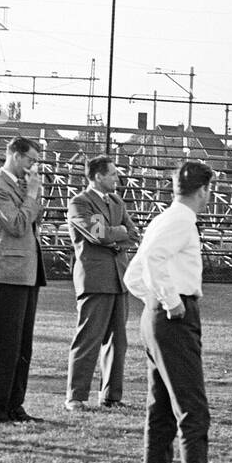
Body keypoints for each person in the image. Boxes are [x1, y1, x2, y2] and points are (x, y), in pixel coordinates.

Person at [124, 160, 232, 463]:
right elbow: (154, 259)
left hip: (157, 316)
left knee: (160, 408)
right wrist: (170, 302)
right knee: (192, 407)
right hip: (174, 317)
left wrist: (153, 301)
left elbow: (133, 274)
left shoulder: (164, 218)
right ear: (204, 189)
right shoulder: (180, 221)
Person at [65, 156, 139, 412]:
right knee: (88, 340)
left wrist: (114, 235)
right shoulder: (80, 202)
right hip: (95, 280)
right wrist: (116, 234)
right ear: (98, 176)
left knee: (118, 342)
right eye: (113, 174)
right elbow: (99, 236)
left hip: (119, 279)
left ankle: (111, 396)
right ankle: (75, 397)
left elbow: (133, 234)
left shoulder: (116, 202)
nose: (117, 178)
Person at [0, 135, 46, 424]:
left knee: (22, 347)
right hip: (8, 275)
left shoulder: (19, 187)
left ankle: (14, 406)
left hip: (28, 274)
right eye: (30, 159)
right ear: (15, 155)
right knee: (5, 346)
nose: (33, 166)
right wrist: (31, 197)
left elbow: (33, 221)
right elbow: (18, 225)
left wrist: (32, 197)